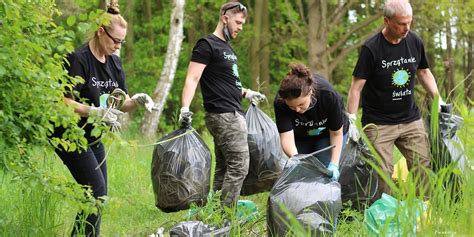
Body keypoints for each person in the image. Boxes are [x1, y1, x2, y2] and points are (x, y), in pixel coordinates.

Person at [54, 4, 153, 236]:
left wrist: (137, 101)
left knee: (100, 196)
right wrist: (94, 111)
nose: (118, 46)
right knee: (95, 192)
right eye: (115, 41)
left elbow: (122, 102)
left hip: (92, 134)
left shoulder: (114, 62)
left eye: (122, 42)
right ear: (100, 31)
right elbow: (62, 101)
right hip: (69, 133)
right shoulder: (78, 59)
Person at [347, 0, 443, 201]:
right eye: (401, 23)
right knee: (383, 172)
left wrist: (438, 100)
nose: (406, 28)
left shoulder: (414, 41)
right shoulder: (371, 49)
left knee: (422, 165)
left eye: (409, 22)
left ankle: (423, 209)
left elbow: (424, 72)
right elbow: (356, 86)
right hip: (379, 122)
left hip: (410, 118)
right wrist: (351, 118)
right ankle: (384, 212)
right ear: (386, 21)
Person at [179, 2, 265, 208]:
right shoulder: (206, 44)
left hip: (233, 111)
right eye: (237, 22)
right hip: (224, 115)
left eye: (243, 24)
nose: (240, 27)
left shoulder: (227, 48)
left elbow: (229, 82)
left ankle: (215, 213)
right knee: (240, 167)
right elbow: (192, 78)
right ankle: (226, 217)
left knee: (224, 167)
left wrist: (247, 92)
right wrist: (184, 107)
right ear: (225, 19)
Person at [274, 63, 349, 181]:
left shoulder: (327, 95)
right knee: (301, 173)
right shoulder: (280, 102)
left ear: (310, 92)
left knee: (322, 173)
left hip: (328, 135)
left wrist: (334, 164)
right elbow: (286, 137)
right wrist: (296, 158)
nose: (298, 110)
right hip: (300, 136)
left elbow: (336, 134)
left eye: (301, 104)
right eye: (292, 107)